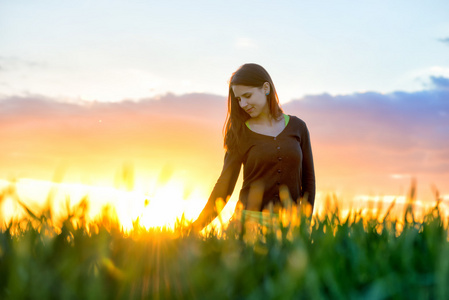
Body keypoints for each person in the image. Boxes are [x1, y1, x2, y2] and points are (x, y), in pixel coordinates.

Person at [191, 63, 315, 231]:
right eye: (239, 99)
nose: (243, 104)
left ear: (265, 88)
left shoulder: (298, 127)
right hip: (247, 225)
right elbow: (224, 186)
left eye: (247, 96)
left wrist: (304, 223)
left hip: (289, 227)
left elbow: (308, 181)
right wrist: (193, 228)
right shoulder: (240, 133)